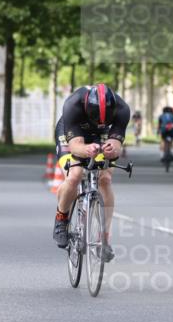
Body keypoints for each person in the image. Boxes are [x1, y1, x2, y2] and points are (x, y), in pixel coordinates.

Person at [52, 83, 130, 260]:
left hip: (102, 134)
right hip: (72, 132)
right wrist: (87, 150)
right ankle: (61, 220)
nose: (98, 120)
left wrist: (111, 150)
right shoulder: (72, 104)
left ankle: (104, 238)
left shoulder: (122, 109)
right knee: (75, 175)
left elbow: (116, 146)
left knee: (105, 179)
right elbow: (75, 146)